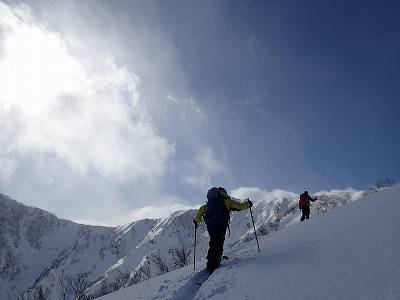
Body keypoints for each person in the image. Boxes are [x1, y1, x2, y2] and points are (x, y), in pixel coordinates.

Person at [193, 187, 252, 274]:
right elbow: (239, 206)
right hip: (220, 225)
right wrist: (249, 204)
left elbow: (199, 213)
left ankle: (210, 262)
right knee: (219, 243)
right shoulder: (227, 201)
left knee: (213, 242)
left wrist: (196, 220)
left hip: (210, 226)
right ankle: (214, 264)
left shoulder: (207, 205)